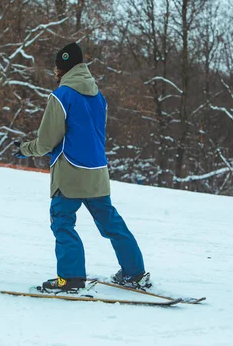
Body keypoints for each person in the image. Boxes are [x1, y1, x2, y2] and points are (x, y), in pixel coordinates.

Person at [14, 42, 149, 291]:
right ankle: (135, 273)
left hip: (69, 174)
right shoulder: (99, 97)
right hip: (98, 172)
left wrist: (24, 149)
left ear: (62, 68)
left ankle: (71, 278)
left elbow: (45, 142)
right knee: (112, 224)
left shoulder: (61, 96)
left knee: (63, 222)